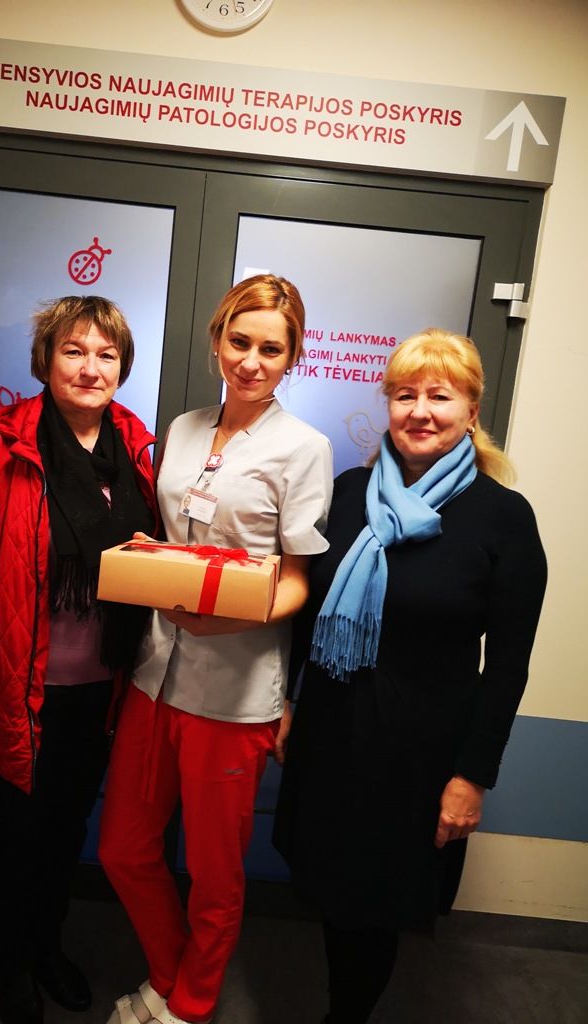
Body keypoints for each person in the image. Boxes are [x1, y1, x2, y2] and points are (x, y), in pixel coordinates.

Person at [273, 327, 548, 1024]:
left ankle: (347, 1017)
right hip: (333, 734)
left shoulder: (503, 518)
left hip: (419, 757)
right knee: (333, 891)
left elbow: (508, 667)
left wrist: (471, 776)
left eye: (440, 396)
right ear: (388, 405)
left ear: (472, 411)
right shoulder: (349, 493)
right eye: (405, 395)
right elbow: (305, 615)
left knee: (377, 904)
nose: (420, 411)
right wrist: (288, 703)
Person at [99, 274, 334, 1024]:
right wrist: (150, 556)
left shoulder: (305, 448)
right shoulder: (184, 428)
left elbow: (297, 582)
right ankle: (170, 973)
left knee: (214, 872)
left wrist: (229, 620)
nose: (251, 362)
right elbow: (179, 538)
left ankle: (191, 1004)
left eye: (272, 349)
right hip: (155, 673)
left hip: (234, 691)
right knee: (124, 848)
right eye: (239, 342)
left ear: (293, 356)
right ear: (216, 340)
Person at [0, 295, 158, 1024]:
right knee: (17, 834)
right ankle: (13, 965)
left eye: (106, 355)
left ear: (121, 367)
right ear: (46, 361)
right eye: (74, 351)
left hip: (106, 687)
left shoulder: (138, 454)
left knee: (67, 829)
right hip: (21, 688)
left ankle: (48, 946)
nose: (90, 368)